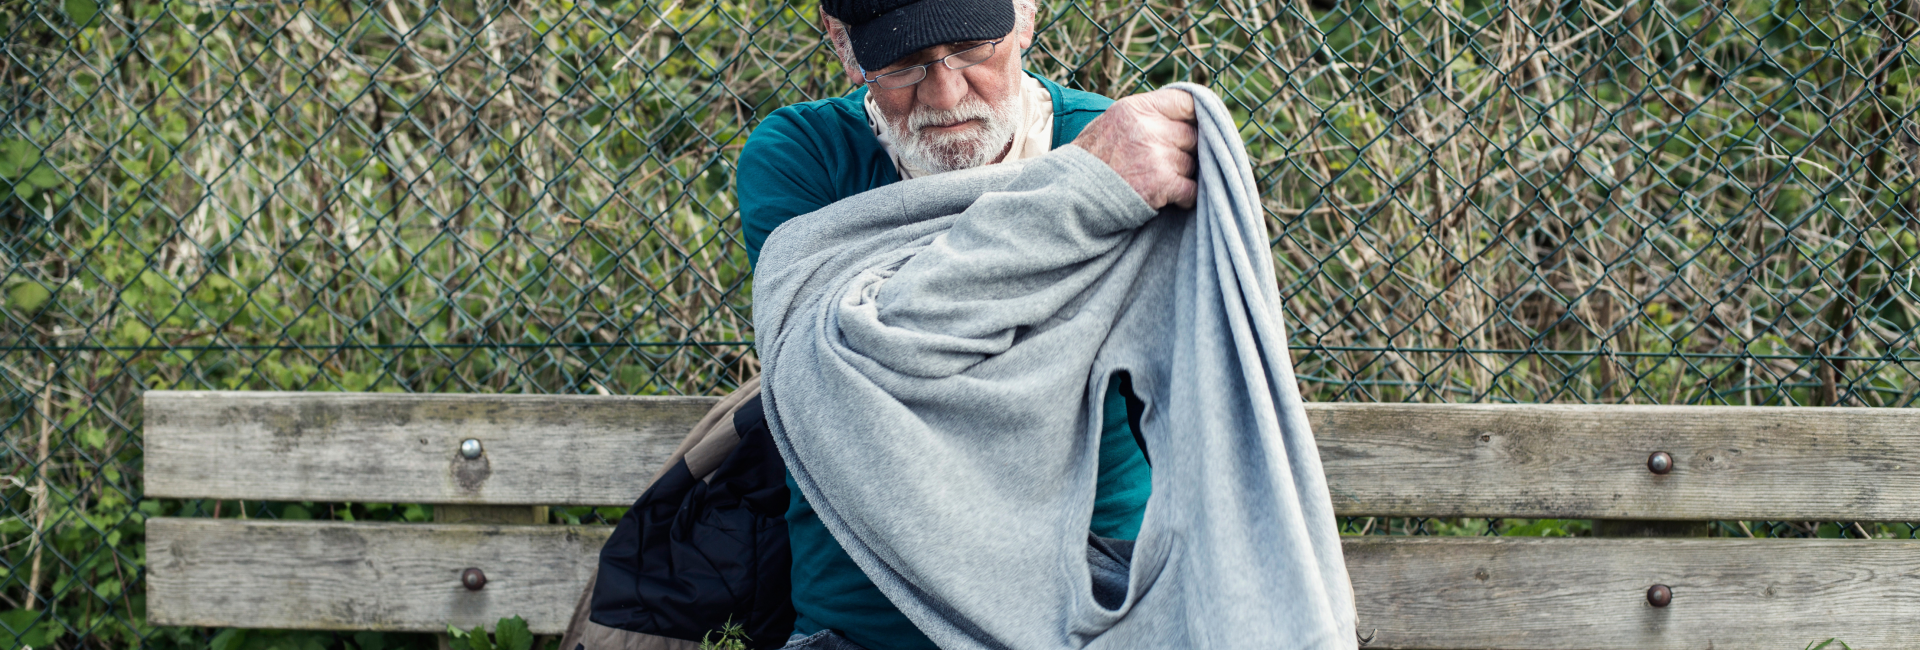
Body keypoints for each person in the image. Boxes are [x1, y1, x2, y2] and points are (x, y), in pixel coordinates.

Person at [735, 0, 1200, 647]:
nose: (946, 93)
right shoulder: (802, 159)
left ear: (1026, 15)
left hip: (1087, 613)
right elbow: (850, 364)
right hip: (867, 625)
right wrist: (1082, 198)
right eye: (904, 64)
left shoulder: (1119, 147)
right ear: (842, 43)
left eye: (974, 48)